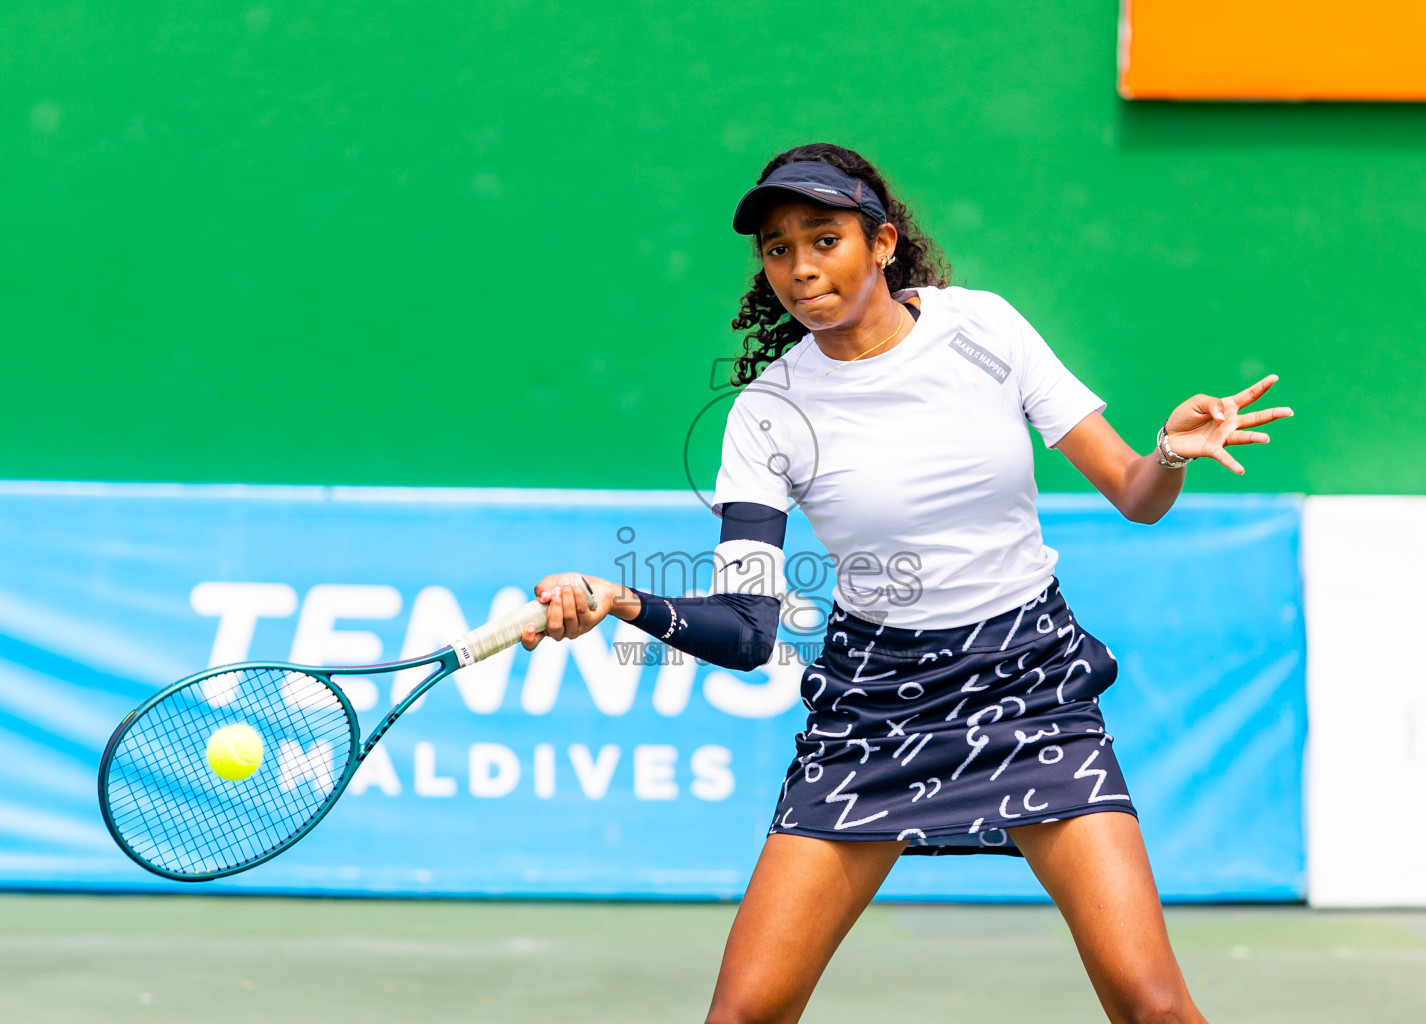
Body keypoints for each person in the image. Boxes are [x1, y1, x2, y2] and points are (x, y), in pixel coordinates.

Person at [518, 143, 1292, 1024]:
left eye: (824, 239)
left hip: (1028, 683)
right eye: (778, 249)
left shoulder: (983, 329)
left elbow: (1134, 494)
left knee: (1153, 1006)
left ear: (882, 243)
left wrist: (1166, 454)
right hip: (876, 703)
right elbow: (745, 630)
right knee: (744, 1015)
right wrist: (622, 599)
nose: (801, 268)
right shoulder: (768, 413)